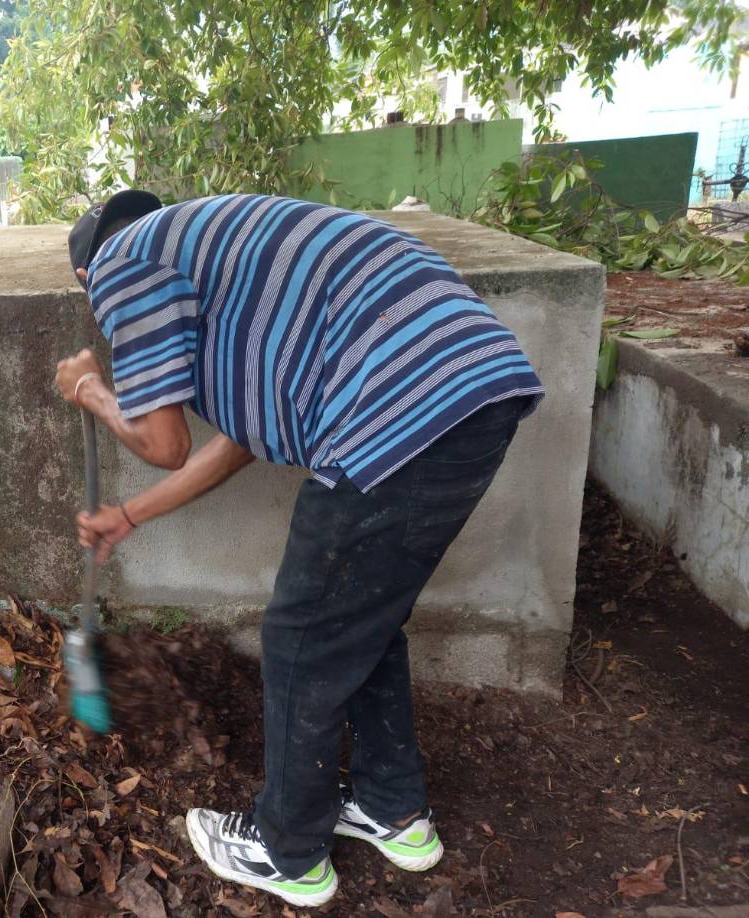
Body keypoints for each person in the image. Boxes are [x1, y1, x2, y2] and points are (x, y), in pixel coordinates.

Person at [55, 190, 543, 909]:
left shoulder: (122, 262)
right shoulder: (223, 260)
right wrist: (130, 513)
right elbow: (242, 441)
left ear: (88, 277)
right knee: (359, 623)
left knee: (300, 636)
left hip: (396, 403)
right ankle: (394, 812)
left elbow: (163, 442)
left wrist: (91, 388)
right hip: (475, 388)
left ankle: (287, 850)